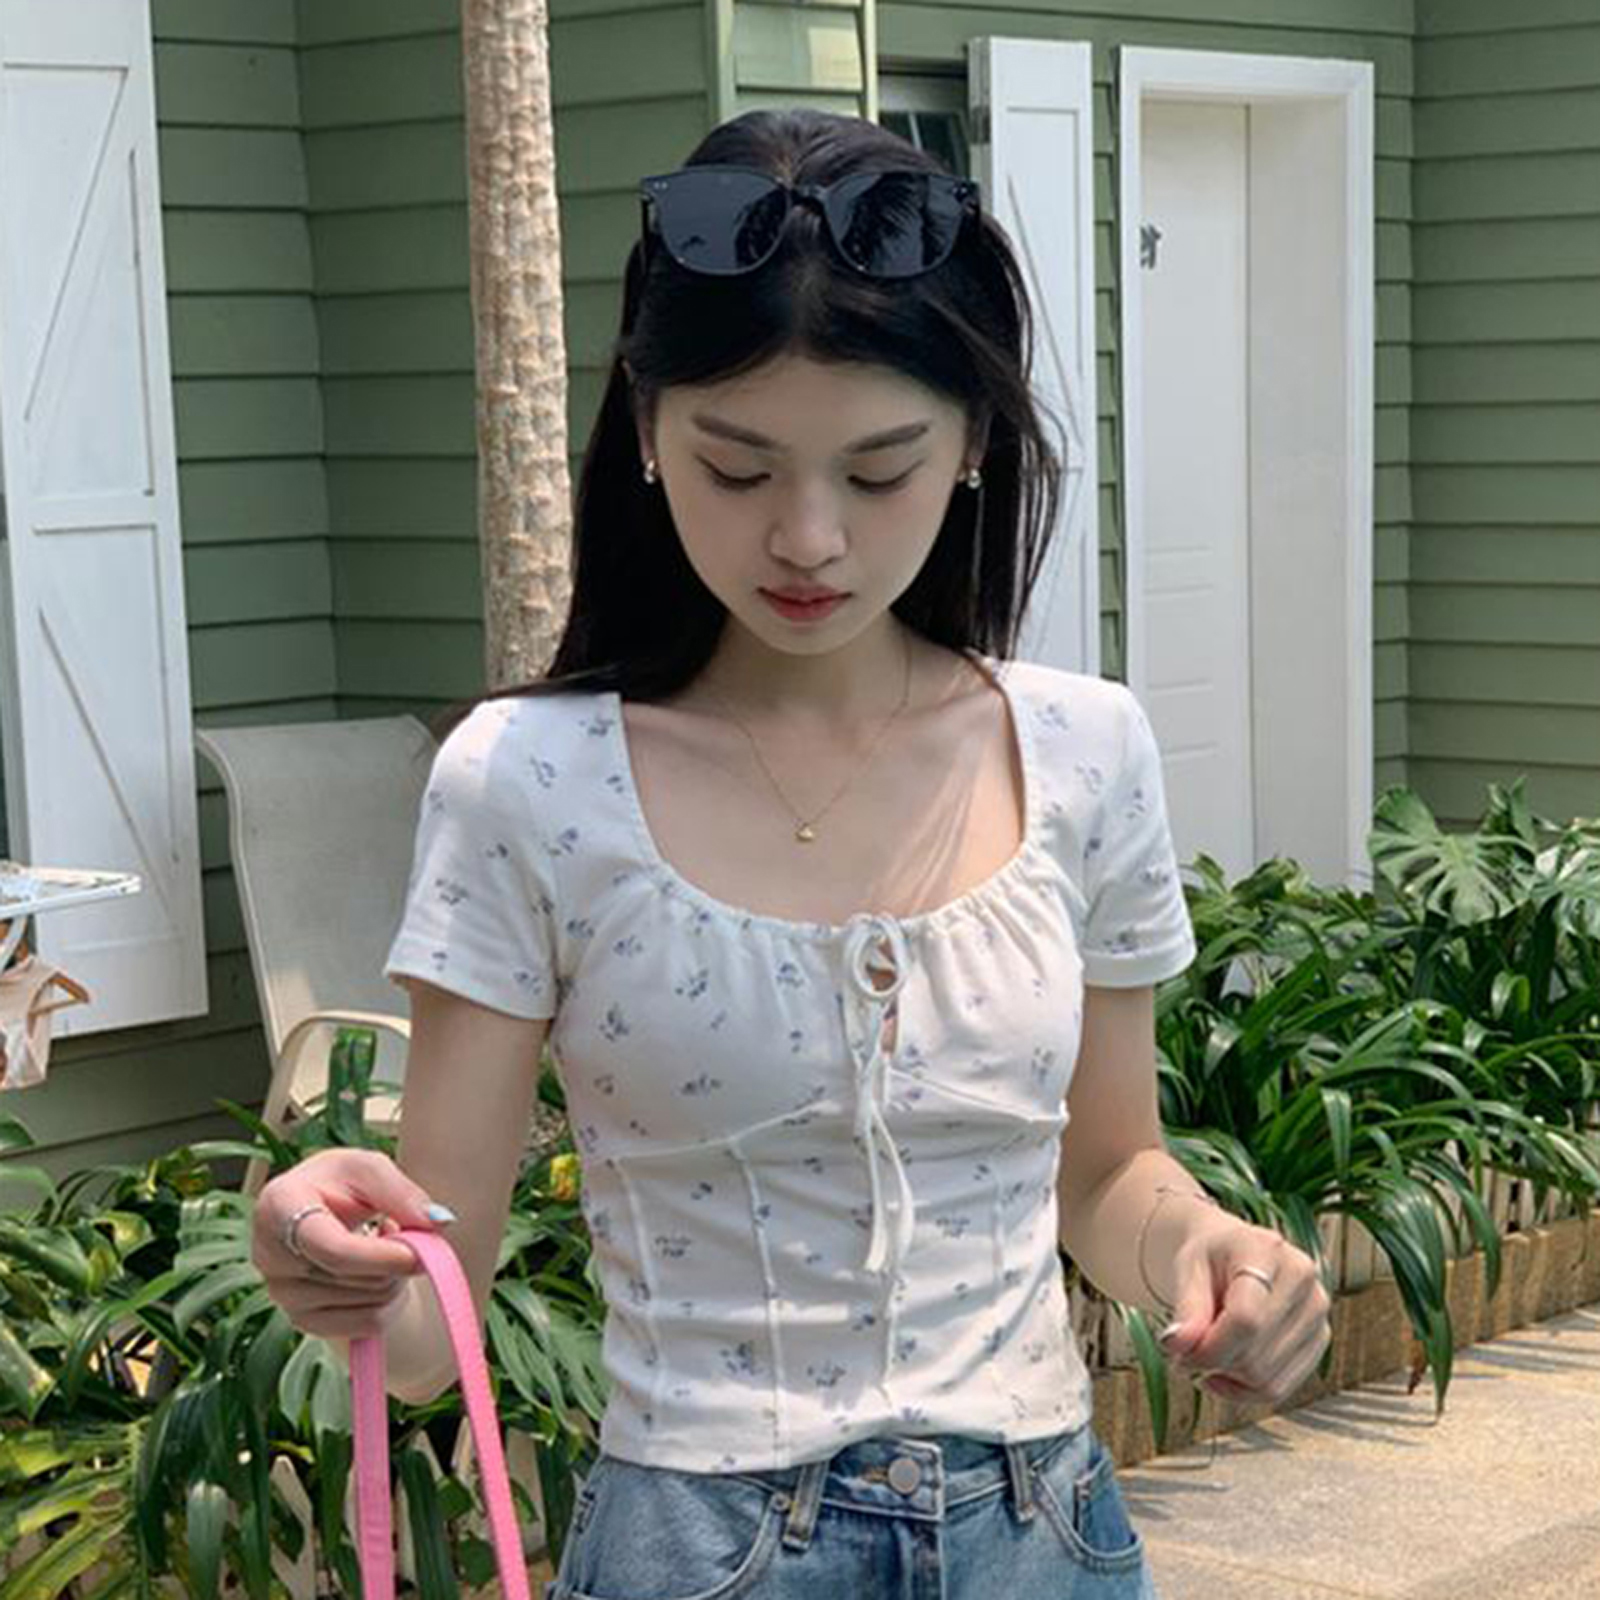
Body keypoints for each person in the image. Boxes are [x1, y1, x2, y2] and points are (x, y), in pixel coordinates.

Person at [252, 107, 1332, 1600]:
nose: (809, 539)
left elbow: (1105, 1174)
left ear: (972, 442)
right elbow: (438, 1304)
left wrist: (1211, 1248)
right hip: (699, 1547)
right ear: (647, 431)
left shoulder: (1085, 750)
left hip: (1047, 1537)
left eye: (879, 472)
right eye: (738, 468)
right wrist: (342, 1264)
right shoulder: (527, 783)